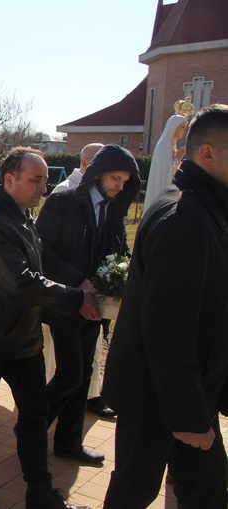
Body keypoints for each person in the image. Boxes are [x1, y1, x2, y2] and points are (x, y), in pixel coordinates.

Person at [0, 147, 98, 509]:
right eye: (35, 180)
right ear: (10, 180)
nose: (42, 188)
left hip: (23, 339)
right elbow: (22, 282)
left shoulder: (22, 216)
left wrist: (78, 284)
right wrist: (76, 297)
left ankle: (40, 491)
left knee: (34, 414)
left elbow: (39, 266)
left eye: (45, 180)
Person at [102, 105, 228, 507]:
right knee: (135, 491)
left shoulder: (202, 207)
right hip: (159, 396)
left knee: (203, 488)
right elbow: (169, 330)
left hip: (182, 390)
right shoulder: (185, 218)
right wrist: (190, 416)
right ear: (207, 153)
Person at [35, 144, 140, 466]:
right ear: (97, 173)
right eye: (115, 178)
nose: (119, 186)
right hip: (66, 304)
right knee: (69, 375)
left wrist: (117, 283)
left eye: (125, 181)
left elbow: (117, 253)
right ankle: (32, 431)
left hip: (96, 310)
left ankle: (68, 443)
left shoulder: (113, 209)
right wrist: (79, 285)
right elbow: (40, 249)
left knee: (81, 377)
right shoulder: (63, 202)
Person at [144, 114, 188, 210]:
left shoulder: (172, 144)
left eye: (185, 128)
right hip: (161, 187)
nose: (184, 131)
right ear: (173, 127)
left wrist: (178, 161)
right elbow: (165, 170)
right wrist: (177, 159)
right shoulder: (163, 145)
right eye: (182, 127)